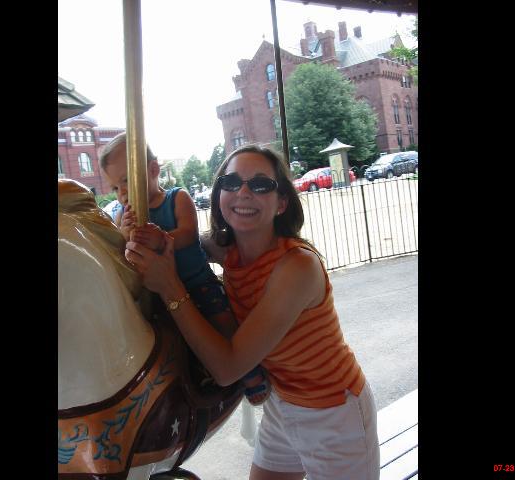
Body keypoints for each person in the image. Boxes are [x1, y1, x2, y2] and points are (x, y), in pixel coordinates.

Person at [125, 145, 380, 480]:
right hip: (282, 404)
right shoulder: (226, 250)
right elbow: (183, 246)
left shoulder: (296, 267)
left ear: (281, 203)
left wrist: (170, 286)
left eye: (260, 185)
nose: (242, 192)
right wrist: (142, 234)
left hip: (332, 411)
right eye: (231, 182)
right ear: (219, 195)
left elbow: (228, 367)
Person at [99, 133, 270, 405]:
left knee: (221, 319)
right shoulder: (123, 214)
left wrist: (161, 239)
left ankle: (249, 372)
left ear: (153, 170)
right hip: (155, 291)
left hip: (195, 281)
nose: (122, 193)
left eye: (126, 180)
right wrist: (125, 232)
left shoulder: (177, 198)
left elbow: (189, 234)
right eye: (115, 187)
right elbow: (123, 250)